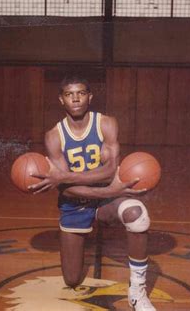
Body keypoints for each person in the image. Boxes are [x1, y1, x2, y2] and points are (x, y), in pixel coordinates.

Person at [29, 75, 155, 311]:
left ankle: (137, 292)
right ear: (61, 100)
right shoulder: (53, 136)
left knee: (138, 216)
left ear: (90, 97)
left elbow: (108, 172)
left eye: (81, 93)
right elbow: (68, 191)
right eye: (69, 94)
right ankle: (77, 236)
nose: (75, 98)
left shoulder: (106, 124)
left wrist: (64, 177)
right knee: (72, 279)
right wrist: (103, 188)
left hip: (106, 198)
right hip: (74, 204)